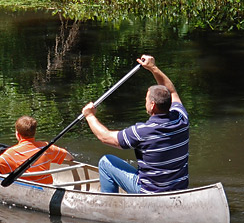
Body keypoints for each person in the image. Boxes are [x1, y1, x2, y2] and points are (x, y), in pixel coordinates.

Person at [81, 55, 189, 194]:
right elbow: (172, 91)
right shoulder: (181, 118)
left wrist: (89, 116)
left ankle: (109, 205)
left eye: (146, 99)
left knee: (105, 162)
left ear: (152, 104)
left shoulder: (142, 132)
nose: (145, 102)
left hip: (149, 193)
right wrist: (153, 68)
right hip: (179, 190)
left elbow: (105, 137)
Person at [0, 116, 73, 196]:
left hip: (29, 188)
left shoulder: (12, 153)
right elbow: (69, 157)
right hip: (48, 185)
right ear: (34, 133)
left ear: (17, 134)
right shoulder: (47, 147)